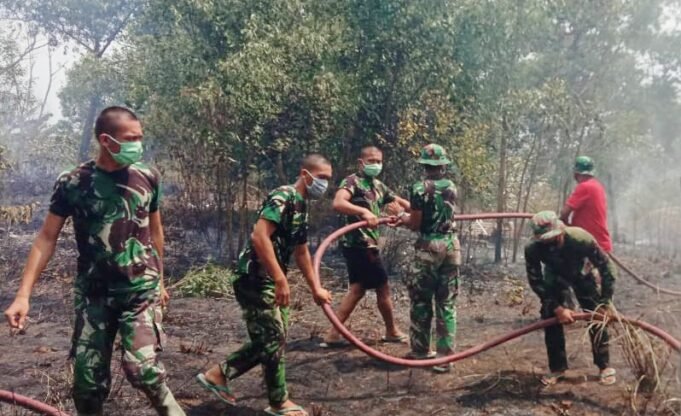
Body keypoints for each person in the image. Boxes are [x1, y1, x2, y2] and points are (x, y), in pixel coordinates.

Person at [3, 106, 184, 416]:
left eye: (140, 138)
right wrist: (23, 295)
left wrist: (161, 281)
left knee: (143, 370)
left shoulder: (147, 176)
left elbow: (155, 233)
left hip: (140, 292)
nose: (138, 145)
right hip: (94, 296)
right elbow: (46, 238)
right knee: (87, 386)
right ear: (106, 140)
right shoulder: (73, 182)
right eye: (131, 139)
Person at [196, 154, 333, 416]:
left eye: (328, 179)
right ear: (305, 174)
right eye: (321, 177)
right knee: (272, 337)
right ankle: (275, 400)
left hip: (270, 279)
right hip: (255, 278)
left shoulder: (301, 206)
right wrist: (280, 279)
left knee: (274, 338)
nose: (324, 184)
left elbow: (302, 251)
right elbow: (260, 237)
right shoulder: (283, 196)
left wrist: (316, 287)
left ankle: (223, 376)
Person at [320, 145, 409, 348]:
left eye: (379, 161)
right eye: (371, 161)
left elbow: (399, 201)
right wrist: (363, 212)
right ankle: (392, 331)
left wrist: (415, 212)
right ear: (361, 163)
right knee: (383, 286)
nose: (376, 165)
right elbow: (338, 203)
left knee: (357, 289)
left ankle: (333, 334)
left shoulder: (378, 185)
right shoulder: (352, 181)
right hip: (360, 244)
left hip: (367, 244)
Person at [525, 211, 617, 386]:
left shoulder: (580, 238)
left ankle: (604, 366)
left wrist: (605, 303)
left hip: (582, 273)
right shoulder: (533, 249)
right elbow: (536, 281)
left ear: (561, 230)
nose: (552, 244)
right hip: (555, 277)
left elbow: (607, 268)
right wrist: (557, 308)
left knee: (596, 313)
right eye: (546, 241)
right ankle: (557, 368)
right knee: (549, 316)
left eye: (555, 238)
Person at [398, 144, 460, 373]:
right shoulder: (451, 186)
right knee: (447, 302)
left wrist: (402, 217)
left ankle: (421, 351)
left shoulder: (418, 188)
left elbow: (415, 223)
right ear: (443, 165)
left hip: (428, 248)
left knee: (421, 299)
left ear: (424, 165)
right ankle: (445, 358)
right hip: (452, 246)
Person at [560, 156, 612, 253]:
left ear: (576, 173)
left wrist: (563, 224)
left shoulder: (584, 187)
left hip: (589, 245)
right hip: (600, 243)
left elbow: (564, 213)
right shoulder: (597, 186)